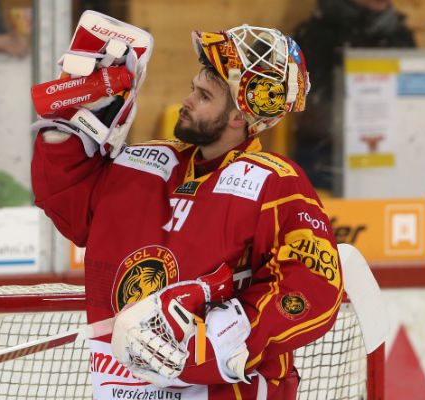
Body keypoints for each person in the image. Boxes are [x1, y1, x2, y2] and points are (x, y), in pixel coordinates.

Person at [31, 22, 343, 400]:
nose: (188, 100)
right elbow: (70, 207)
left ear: (239, 117)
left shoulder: (276, 184)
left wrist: (227, 337)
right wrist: (68, 129)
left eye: (204, 96)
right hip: (124, 389)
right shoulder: (145, 164)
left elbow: (313, 288)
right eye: (194, 88)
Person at [293, 0, 416, 191]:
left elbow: (414, 107)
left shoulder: (399, 35)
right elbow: (312, 106)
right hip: (326, 154)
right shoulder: (315, 35)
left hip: (391, 150)